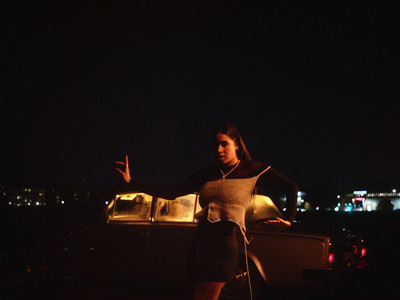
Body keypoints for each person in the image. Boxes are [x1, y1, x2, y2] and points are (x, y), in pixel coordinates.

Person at [115, 124, 298, 300]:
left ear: (236, 144)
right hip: (200, 243)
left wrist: (288, 219)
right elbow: (171, 192)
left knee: (208, 295)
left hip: (224, 244)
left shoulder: (253, 170)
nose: (219, 149)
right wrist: (132, 182)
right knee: (195, 294)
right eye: (216, 145)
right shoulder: (208, 173)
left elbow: (291, 188)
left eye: (224, 143)